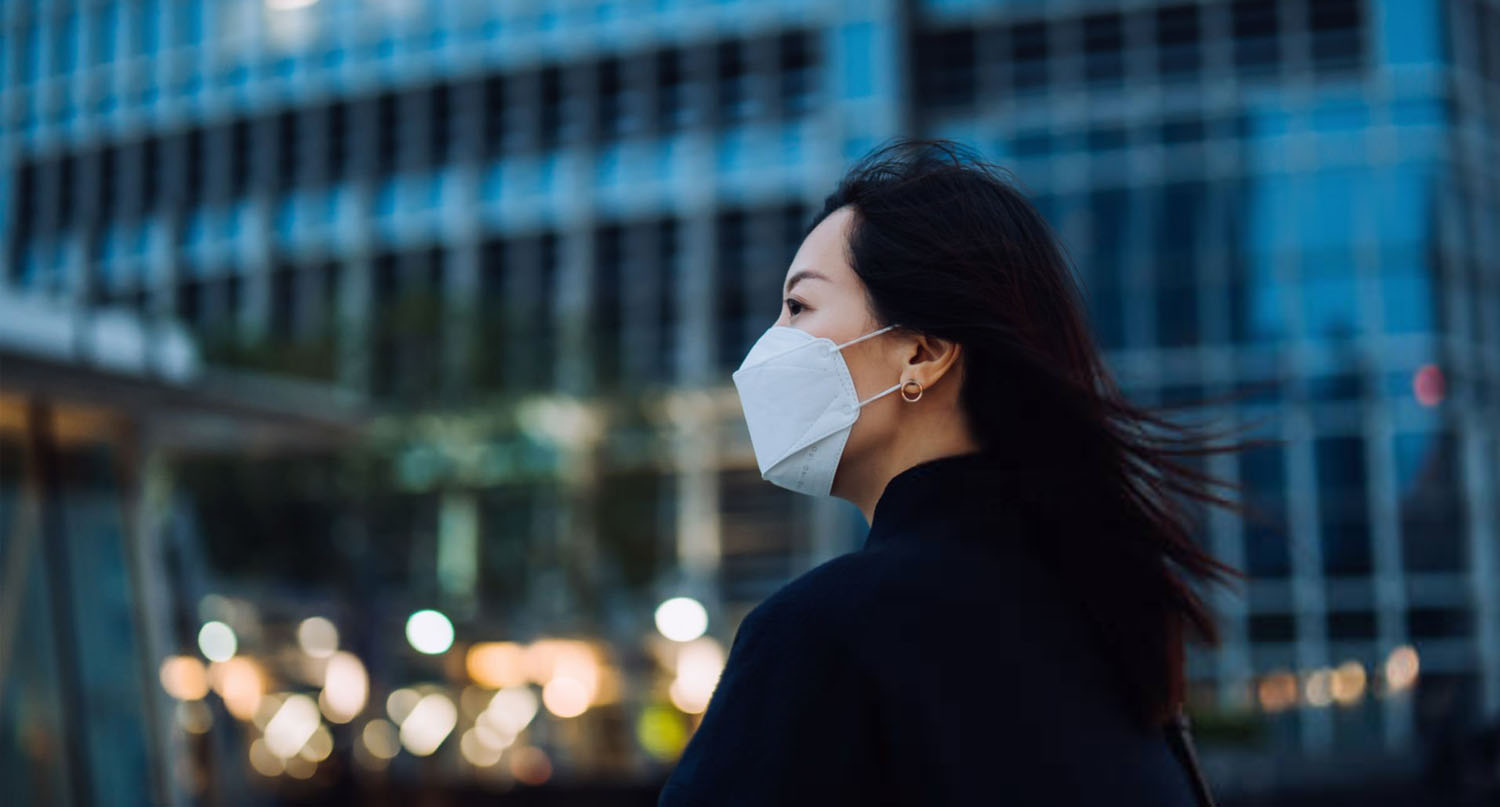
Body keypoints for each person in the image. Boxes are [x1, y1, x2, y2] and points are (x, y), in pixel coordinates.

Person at [656, 138, 1242, 806]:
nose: (767, 346)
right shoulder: (1114, 635)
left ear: (923, 353)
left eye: (799, 307)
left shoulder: (822, 635)